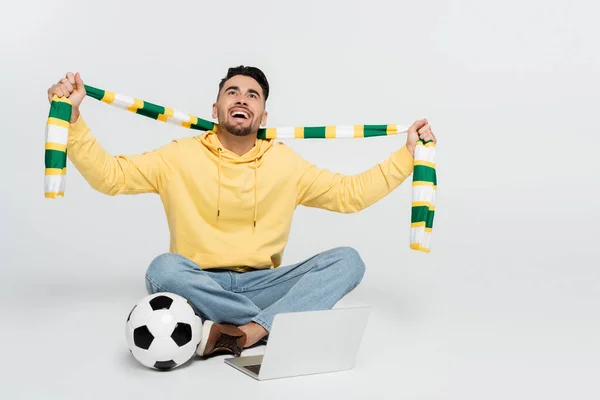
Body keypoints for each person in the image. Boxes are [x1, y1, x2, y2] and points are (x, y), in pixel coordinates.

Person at [47, 66, 437, 358]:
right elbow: (111, 177)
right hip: (200, 283)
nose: (241, 99)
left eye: (253, 95)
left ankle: (246, 332)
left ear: (263, 116)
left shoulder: (286, 164)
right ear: (215, 107)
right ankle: (279, 322)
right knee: (161, 270)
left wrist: (406, 155)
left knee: (348, 262)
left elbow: (351, 195)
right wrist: (75, 120)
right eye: (232, 92)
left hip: (263, 282)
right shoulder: (178, 156)